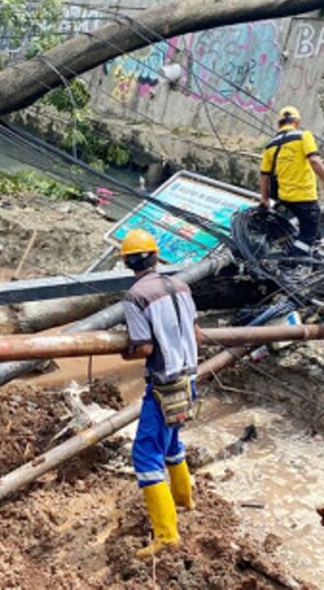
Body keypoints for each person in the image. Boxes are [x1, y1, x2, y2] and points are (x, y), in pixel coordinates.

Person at [120, 229, 199, 558]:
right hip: (189, 379)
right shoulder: (181, 285)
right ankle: (184, 500)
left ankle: (167, 535)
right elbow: (196, 332)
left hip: (163, 383)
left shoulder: (134, 297)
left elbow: (145, 347)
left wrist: (125, 352)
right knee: (172, 442)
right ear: (156, 256)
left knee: (145, 455)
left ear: (127, 262)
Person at [260, 106, 324, 256]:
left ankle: (318, 246)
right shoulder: (303, 135)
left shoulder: (270, 145)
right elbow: (314, 160)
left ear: (279, 124)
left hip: (285, 197)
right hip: (304, 197)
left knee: (309, 223)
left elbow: (264, 175)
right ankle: (292, 261)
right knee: (306, 236)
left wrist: (264, 199)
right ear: (296, 122)